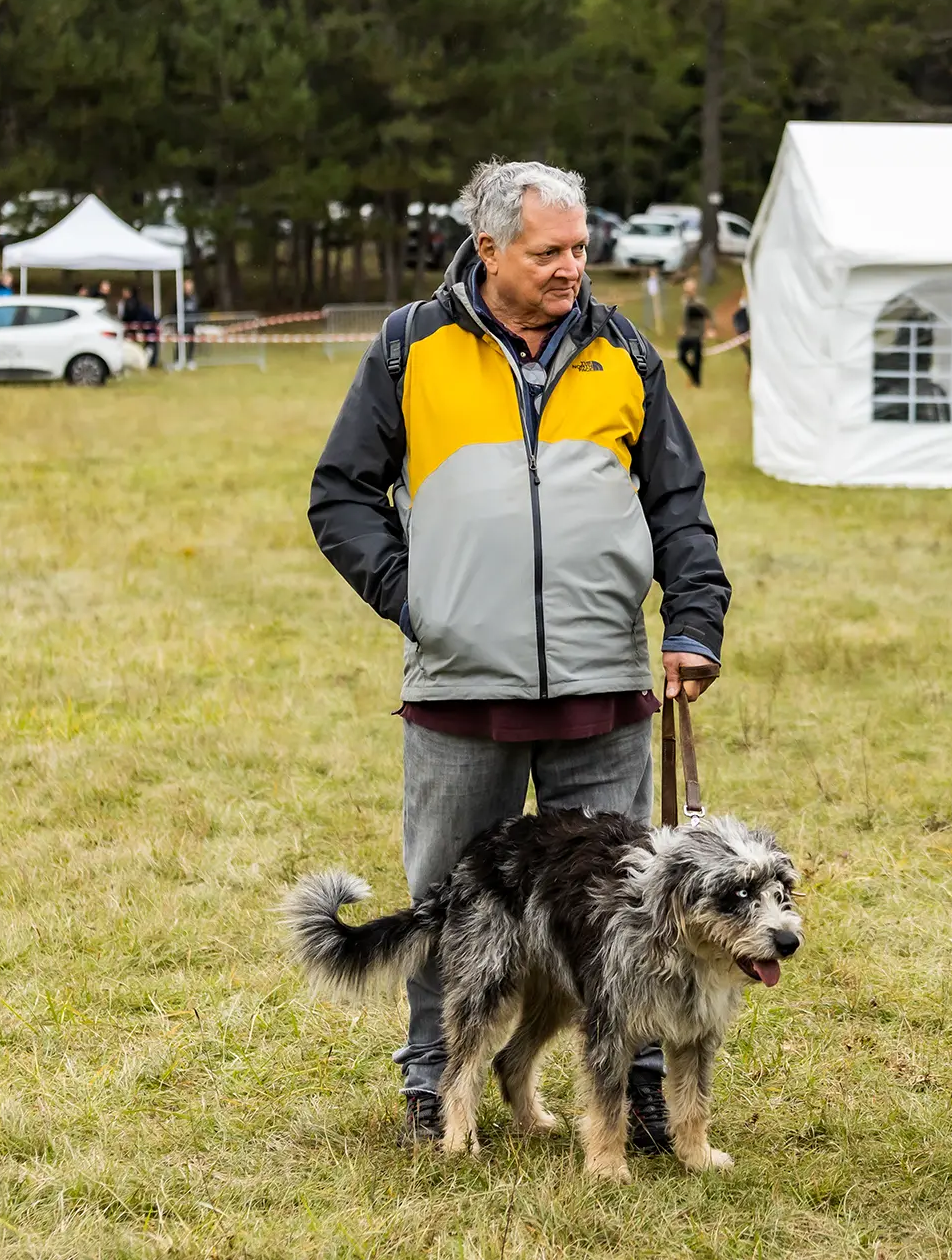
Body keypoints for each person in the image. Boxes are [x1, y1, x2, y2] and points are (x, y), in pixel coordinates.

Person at [307, 159, 729, 1152]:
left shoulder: (623, 350)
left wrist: (692, 622)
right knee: (453, 903)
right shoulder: (410, 348)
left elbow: (677, 501)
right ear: (487, 247)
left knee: (636, 906)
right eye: (548, 251)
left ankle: (640, 1088)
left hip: (603, 690)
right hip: (461, 692)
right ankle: (432, 1079)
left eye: (580, 249)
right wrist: (419, 603)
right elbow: (339, 494)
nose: (570, 268)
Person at [676, 278, 713, 387]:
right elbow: (685, 317)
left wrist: (707, 331)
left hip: (697, 334)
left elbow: (707, 316)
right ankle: (693, 375)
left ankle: (697, 382)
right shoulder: (684, 301)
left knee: (697, 359)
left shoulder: (699, 303)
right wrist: (682, 328)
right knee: (681, 356)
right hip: (687, 334)